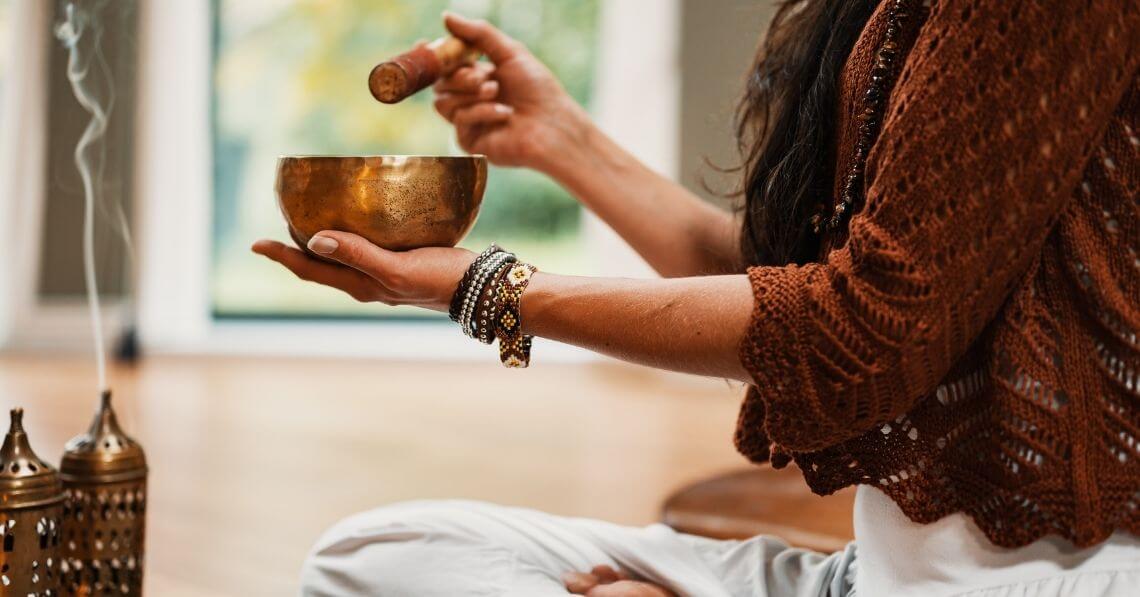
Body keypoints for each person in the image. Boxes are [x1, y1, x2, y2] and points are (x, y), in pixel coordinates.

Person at [253, 1, 1140, 595]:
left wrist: (491, 289)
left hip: (1040, 583)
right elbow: (781, 282)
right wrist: (565, 142)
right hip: (866, 575)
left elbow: (861, 329)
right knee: (373, 557)